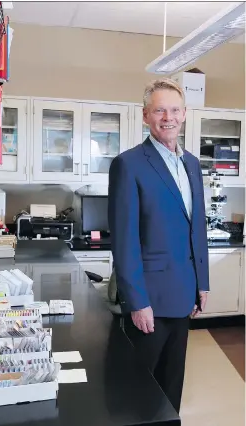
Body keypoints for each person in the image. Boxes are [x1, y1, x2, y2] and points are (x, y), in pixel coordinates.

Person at [108, 78, 209, 414]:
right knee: (140, 389)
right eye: (160, 110)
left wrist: (202, 284)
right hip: (149, 302)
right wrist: (136, 301)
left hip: (183, 296)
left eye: (175, 110)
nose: (169, 117)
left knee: (171, 386)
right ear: (145, 115)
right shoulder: (129, 164)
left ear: (184, 114)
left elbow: (198, 229)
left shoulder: (192, 164)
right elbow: (124, 240)